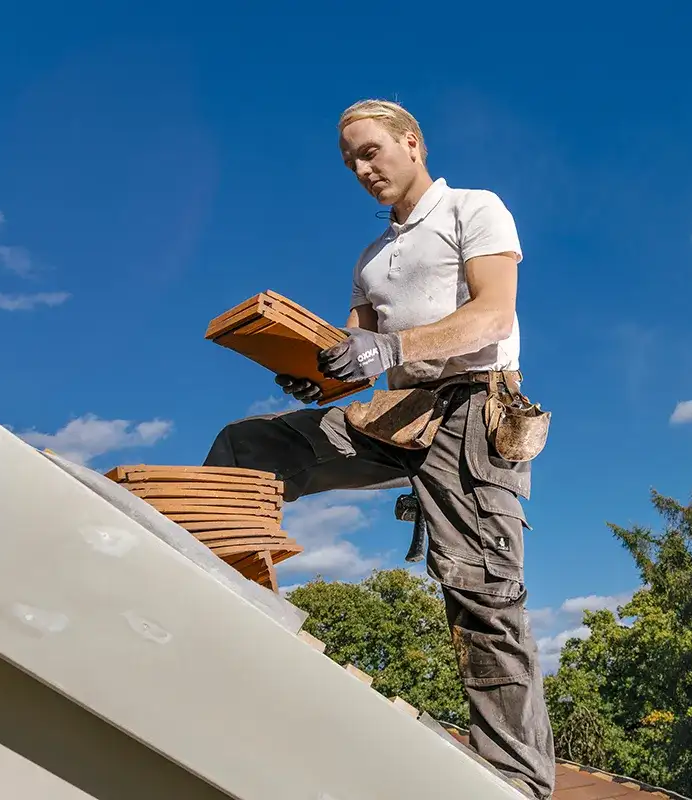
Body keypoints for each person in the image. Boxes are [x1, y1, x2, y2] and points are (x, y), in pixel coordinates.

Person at [202, 99, 556, 799]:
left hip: (472, 408)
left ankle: (518, 782)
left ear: (411, 143)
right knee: (249, 445)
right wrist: (315, 375)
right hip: (398, 414)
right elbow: (349, 353)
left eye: (372, 153)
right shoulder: (373, 259)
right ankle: (218, 609)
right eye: (350, 162)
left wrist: (387, 346)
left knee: (480, 592)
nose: (363, 170)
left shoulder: (473, 210)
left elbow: (492, 313)